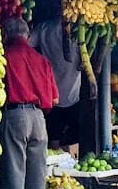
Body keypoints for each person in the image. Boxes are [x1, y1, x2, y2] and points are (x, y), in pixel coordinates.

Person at [0, 17, 58, 189]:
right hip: (39, 119)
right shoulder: (41, 60)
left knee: (15, 172)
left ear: (5, 35)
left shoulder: (4, 56)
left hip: (16, 116)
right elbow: (55, 99)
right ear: (28, 35)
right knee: (37, 176)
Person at [30, 16, 82, 149]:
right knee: (74, 139)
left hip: (52, 94)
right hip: (71, 93)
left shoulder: (44, 28)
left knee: (53, 137)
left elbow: (28, 44)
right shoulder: (80, 29)